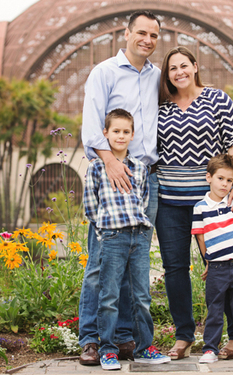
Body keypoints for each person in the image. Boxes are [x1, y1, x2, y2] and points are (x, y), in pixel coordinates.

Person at [78, 11, 161, 365]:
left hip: (146, 175)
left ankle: (124, 338)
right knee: (100, 262)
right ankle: (91, 338)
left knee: (133, 263)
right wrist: (112, 163)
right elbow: (91, 125)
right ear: (126, 34)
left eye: (153, 35)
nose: (147, 39)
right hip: (111, 172)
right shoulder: (105, 72)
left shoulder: (158, 76)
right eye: (140, 32)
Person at [155, 46, 233, 359]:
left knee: (225, 265)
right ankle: (184, 335)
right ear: (166, 75)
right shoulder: (160, 106)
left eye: (184, 66)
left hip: (213, 202)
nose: (178, 72)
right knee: (175, 269)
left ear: (195, 67)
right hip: (169, 202)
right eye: (171, 69)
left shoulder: (218, 99)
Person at [83, 109, 170, 370]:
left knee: (141, 295)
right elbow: (91, 206)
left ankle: (144, 347)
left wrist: (141, 231)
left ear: (132, 135)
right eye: (116, 131)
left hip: (138, 236)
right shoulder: (97, 168)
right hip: (112, 237)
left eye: (125, 132)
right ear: (106, 134)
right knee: (109, 296)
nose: (120, 136)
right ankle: (107, 349)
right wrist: (103, 234)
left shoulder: (141, 169)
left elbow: (143, 201)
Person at [192, 154, 233, 364]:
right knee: (215, 309)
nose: (225, 184)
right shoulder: (200, 208)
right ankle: (210, 349)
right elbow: (200, 237)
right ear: (208, 177)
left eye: (229, 180)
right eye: (221, 178)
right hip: (217, 268)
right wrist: (208, 261)